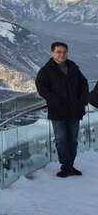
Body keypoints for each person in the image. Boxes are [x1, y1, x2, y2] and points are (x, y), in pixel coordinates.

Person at [36, 42, 89, 177]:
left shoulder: (73, 68)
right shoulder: (45, 71)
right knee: (61, 140)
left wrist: (81, 100)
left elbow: (84, 84)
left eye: (64, 52)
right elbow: (42, 89)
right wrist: (56, 101)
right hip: (57, 111)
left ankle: (69, 166)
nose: (62, 55)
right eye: (58, 52)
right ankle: (66, 167)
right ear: (52, 53)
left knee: (72, 140)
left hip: (74, 110)